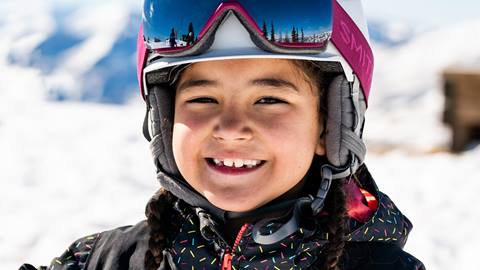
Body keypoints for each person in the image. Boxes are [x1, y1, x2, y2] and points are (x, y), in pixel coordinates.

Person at [20, 0, 425, 269]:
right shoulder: (103, 262)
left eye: (269, 100)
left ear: (329, 126)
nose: (231, 129)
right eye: (203, 99)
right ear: (164, 120)